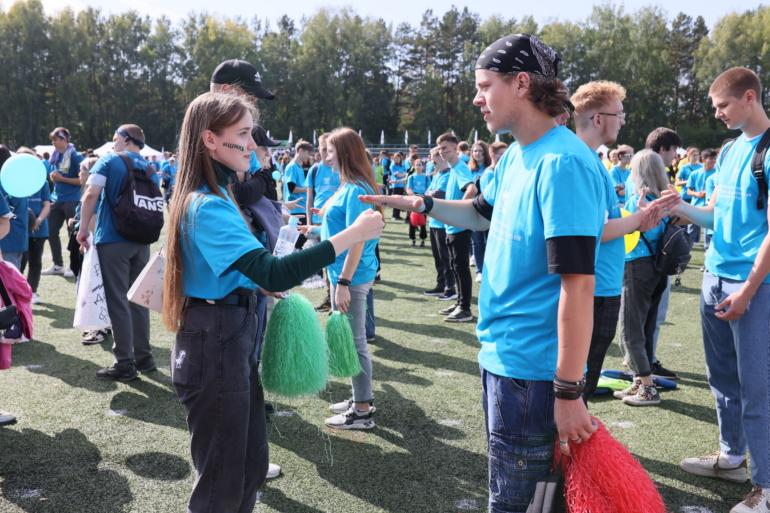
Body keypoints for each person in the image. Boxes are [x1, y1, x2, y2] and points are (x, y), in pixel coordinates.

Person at [361, 34, 605, 509]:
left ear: (520, 84)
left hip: (534, 374)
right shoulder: (516, 154)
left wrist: (569, 390)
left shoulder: (562, 164)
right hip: (504, 357)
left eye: (484, 85)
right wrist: (423, 203)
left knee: (519, 504)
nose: (476, 97)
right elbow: (480, 213)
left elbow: (577, 286)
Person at [162, 93, 383, 512]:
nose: (253, 145)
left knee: (248, 468)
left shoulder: (220, 194)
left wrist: (258, 282)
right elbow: (272, 271)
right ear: (210, 139)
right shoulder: (207, 202)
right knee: (221, 484)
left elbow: (248, 271)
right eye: (243, 134)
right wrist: (352, 234)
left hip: (230, 335)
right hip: (216, 340)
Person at [670, 67, 770, 513]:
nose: (717, 113)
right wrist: (681, 207)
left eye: (723, 105)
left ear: (749, 97)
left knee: (757, 388)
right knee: (721, 379)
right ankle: (732, 456)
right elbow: (716, 214)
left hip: (752, 287)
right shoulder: (730, 150)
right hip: (712, 277)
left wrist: (749, 288)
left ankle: (765, 487)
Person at [570, 81, 672, 402]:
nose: (623, 121)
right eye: (619, 114)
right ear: (598, 119)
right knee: (576, 388)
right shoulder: (582, 162)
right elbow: (592, 231)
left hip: (604, 283)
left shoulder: (593, 162)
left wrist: (637, 216)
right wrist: (637, 219)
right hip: (593, 286)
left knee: (581, 386)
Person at [77, 125, 161, 381]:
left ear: (126, 139)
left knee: (118, 302)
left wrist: (82, 229)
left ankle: (124, 363)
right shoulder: (150, 169)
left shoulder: (110, 160)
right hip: (142, 241)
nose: (113, 144)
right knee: (138, 300)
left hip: (113, 239)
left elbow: (91, 194)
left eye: (115, 139)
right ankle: (144, 357)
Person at [318, 128, 383, 430]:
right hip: (342, 274)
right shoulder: (349, 185)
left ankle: (362, 411)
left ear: (343, 153)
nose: (326, 155)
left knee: (356, 343)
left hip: (351, 277)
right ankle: (360, 397)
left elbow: (357, 241)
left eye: (330, 150)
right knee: (350, 340)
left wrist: (343, 283)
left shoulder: (355, 187)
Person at [614, 150, 679, 406]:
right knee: (646, 328)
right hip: (659, 268)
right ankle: (640, 381)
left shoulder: (637, 199)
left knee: (630, 330)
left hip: (637, 266)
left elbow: (626, 233)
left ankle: (647, 387)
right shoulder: (663, 200)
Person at [436, 133, 475, 323]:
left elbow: (472, 189)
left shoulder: (460, 167)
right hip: (451, 227)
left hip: (459, 228)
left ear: (455, 148)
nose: (441, 152)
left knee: (461, 268)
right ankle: (460, 302)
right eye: (440, 149)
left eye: (445, 148)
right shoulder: (453, 169)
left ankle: (465, 308)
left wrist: (460, 211)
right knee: (455, 266)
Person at [42, 127, 83, 278]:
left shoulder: (76, 157)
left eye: (55, 139)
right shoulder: (55, 156)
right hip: (56, 199)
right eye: (52, 139)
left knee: (73, 233)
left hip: (72, 200)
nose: (52, 142)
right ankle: (58, 264)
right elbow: (56, 176)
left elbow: (83, 180)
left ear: (64, 140)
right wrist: (54, 178)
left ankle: (74, 266)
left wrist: (62, 179)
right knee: (50, 232)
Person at [307, 132, 340, 313]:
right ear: (320, 149)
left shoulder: (340, 168)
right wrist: (310, 221)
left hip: (337, 223)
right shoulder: (314, 169)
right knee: (324, 262)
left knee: (337, 260)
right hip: (318, 224)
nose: (328, 153)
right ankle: (330, 297)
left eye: (331, 149)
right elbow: (309, 199)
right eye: (324, 149)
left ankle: (338, 298)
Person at [16, 147, 52, 304]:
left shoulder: (42, 182)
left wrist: (37, 221)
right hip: (19, 229)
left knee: (35, 262)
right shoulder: (13, 182)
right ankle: (18, 292)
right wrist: (26, 223)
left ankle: (33, 291)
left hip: (39, 229)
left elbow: (47, 205)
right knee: (20, 263)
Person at [422, 147, 456, 300]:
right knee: (438, 257)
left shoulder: (448, 175)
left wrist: (429, 194)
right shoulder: (437, 175)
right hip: (433, 221)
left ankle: (450, 288)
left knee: (445, 257)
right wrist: (429, 194)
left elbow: (437, 194)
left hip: (443, 222)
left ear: (441, 158)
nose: (430, 160)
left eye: (432, 157)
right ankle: (441, 284)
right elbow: (427, 192)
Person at [469, 141, 492, 283]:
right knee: (476, 242)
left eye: (480, 151)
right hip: (472, 209)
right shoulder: (468, 169)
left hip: (488, 211)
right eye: (475, 151)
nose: (477, 153)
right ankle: (480, 271)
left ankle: (491, 270)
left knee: (489, 242)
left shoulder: (491, 168)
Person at [687, 148, 718, 249]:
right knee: (691, 232)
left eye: (715, 158)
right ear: (703, 159)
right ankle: (685, 251)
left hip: (710, 208)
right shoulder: (695, 174)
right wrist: (697, 194)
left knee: (708, 232)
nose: (713, 161)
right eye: (711, 159)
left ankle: (707, 252)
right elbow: (689, 191)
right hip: (696, 207)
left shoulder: (717, 173)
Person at [677, 147, 703, 244]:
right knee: (684, 219)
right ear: (688, 156)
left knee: (696, 219)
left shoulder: (701, 166)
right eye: (694, 155)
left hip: (697, 197)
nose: (696, 157)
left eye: (697, 155)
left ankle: (694, 240)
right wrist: (690, 181)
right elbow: (677, 182)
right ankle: (683, 239)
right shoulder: (684, 167)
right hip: (686, 196)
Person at [283, 140, 312, 217]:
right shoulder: (292, 166)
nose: (309, 156)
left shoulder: (299, 167)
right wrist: (309, 189)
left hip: (302, 208)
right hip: (295, 209)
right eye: (308, 153)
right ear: (301, 150)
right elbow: (292, 189)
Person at [405, 157, 430, 246]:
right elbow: (409, 189)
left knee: (423, 221)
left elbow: (428, 189)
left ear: (423, 166)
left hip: (424, 199)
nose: (418, 166)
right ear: (414, 166)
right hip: (413, 199)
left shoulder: (426, 177)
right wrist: (414, 197)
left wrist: (422, 197)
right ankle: (413, 239)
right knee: (412, 221)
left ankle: (423, 239)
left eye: (420, 165)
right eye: (416, 165)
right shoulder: (411, 177)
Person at [388, 153, 407, 220]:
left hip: (401, 185)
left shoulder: (402, 166)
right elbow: (398, 175)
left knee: (400, 201)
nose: (397, 159)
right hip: (395, 185)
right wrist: (405, 174)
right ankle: (394, 215)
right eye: (395, 158)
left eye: (398, 158)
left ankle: (398, 215)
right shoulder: (393, 166)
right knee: (395, 201)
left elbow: (403, 175)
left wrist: (404, 175)